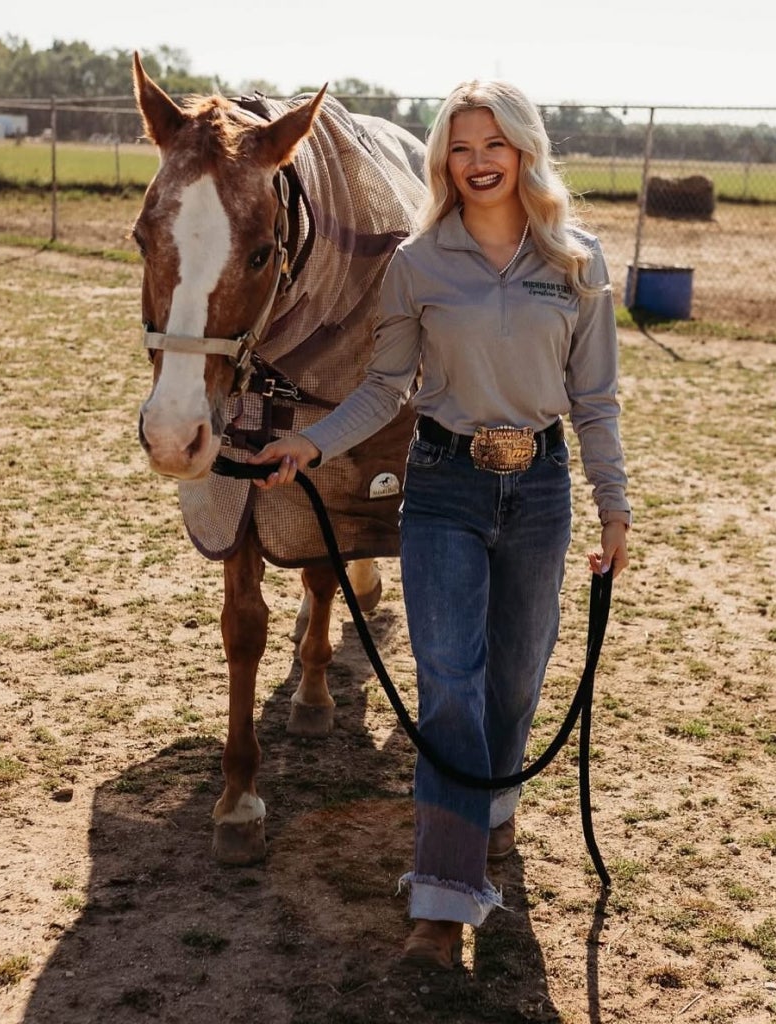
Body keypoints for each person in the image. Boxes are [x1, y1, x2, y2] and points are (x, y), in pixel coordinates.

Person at [246, 78, 631, 970]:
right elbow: (386, 386)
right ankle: (440, 899)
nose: (477, 162)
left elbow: (595, 400)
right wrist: (310, 446)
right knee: (450, 683)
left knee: (514, 682)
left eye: (492, 144)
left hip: (539, 491)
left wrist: (614, 505)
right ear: (441, 161)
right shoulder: (417, 263)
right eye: (459, 147)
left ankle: (488, 811)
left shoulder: (578, 259)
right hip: (445, 485)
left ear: (525, 149)